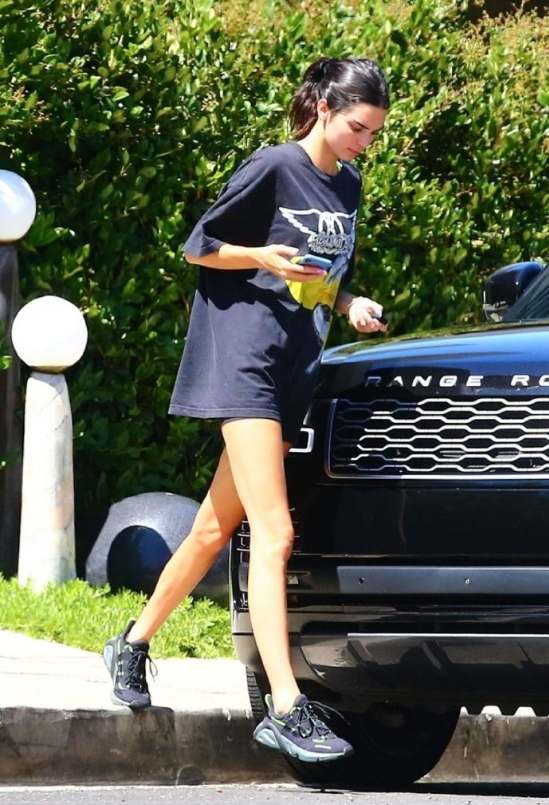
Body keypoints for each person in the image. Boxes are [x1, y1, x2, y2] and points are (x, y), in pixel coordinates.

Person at [103, 56, 390, 763]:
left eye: (373, 134)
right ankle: (285, 706)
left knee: (211, 527)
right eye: (357, 128)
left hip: (293, 368)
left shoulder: (348, 185)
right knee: (275, 531)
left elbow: (321, 279)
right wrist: (263, 255)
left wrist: (349, 302)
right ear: (324, 108)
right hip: (245, 362)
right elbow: (199, 247)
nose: (363, 143)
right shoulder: (273, 166)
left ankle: (131, 642)